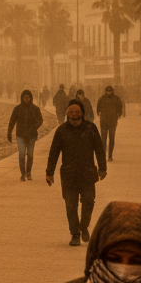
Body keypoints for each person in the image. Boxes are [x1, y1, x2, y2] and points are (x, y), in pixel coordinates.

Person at [46, 99, 107, 246]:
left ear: (82, 113)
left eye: (77, 112)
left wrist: (102, 168)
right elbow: (53, 152)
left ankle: (84, 226)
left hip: (87, 174)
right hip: (69, 175)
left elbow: (99, 149)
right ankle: (75, 234)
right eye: (71, 112)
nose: (74, 115)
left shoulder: (91, 128)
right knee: (70, 207)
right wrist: (49, 172)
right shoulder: (61, 131)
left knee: (88, 202)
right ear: (67, 113)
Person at [7, 89, 45, 181]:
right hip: (20, 135)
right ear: (22, 98)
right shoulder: (17, 109)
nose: (26, 99)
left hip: (31, 135)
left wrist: (34, 127)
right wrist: (9, 132)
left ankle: (28, 172)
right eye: (25, 98)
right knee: (22, 154)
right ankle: (23, 173)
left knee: (30, 155)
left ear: (30, 98)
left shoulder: (35, 109)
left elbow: (40, 120)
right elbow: (12, 121)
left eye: (28, 98)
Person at [96, 84, 125, 161]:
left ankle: (110, 155)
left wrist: (119, 114)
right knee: (104, 139)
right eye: (107, 91)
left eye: (110, 91)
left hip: (112, 121)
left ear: (112, 91)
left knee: (111, 138)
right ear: (106, 91)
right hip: (105, 121)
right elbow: (98, 107)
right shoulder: (104, 99)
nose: (109, 92)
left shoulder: (111, 99)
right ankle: (104, 154)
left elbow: (120, 107)